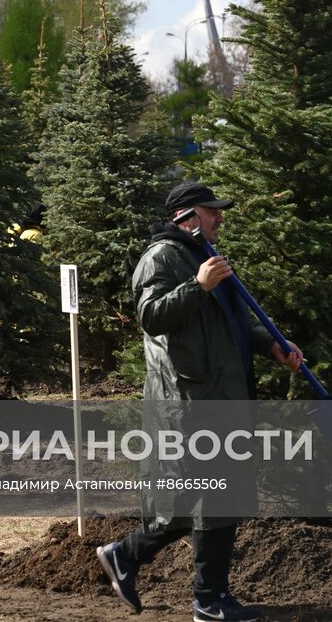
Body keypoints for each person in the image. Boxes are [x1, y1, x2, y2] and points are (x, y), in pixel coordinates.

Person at [96, 181, 303, 621]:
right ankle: (206, 599)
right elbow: (151, 317)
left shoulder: (206, 257)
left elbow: (236, 321)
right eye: (213, 211)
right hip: (188, 400)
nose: (220, 218)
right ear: (188, 216)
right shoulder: (162, 257)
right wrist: (197, 284)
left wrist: (273, 345)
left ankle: (132, 558)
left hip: (222, 395)